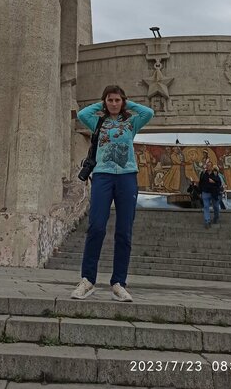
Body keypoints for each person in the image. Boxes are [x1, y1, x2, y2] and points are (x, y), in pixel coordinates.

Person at [71, 85, 154, 302]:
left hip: (127, 177)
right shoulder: (98, 122)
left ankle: (119, 283)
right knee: (96, 226)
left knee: (124, 231)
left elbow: (148, 112)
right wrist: (102, 105)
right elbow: (82, 114)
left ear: (123, 101)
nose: (114, 104)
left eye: (118, 100)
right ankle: (87, 280)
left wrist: (128, 104)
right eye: (110, 100)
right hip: (102, 176)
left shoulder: (131, 123)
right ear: (105, 101)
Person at [199, 160, 222, 228]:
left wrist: (213, 182)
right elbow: (200, 183)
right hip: (205, 192)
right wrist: (200, 192)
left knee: (216, 207)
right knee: (206, 206)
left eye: (209, 165)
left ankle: (216, 217)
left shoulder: (215, 173)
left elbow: (219, 183)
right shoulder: (203, 173)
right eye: (207, 165)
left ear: (212, 167)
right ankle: (207, 221)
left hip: (214, 193)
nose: (208, 167)